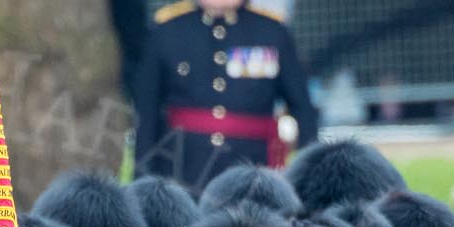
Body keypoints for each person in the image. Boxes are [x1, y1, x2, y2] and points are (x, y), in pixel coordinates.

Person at [132, 0, 318, 190]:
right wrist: (142, 185)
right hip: (183, 176)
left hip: (253, 176)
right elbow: (146, 115)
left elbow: (303, 110)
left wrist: (309, 183)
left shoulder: (272, 31)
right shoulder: (167, 29)